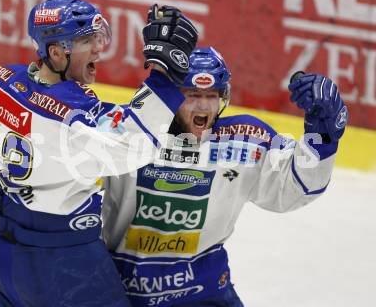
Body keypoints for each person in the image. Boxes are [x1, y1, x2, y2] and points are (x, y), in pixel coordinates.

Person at [0, 0, 197, 307]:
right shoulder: (72, 117)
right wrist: (164, 80)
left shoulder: (0, 82)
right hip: (66, 264)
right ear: (56, 52)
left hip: (6, 257)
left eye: (98, 37)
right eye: (87, 41)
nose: (98, 48)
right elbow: (130, 147)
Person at [100, 47, 348, 306]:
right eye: (193, 94)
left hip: (206, 292)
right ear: (170, 95)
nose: (204, 105)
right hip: (122, 292)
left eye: (212, 95)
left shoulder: (244, 140)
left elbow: (298, 188)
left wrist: (322, 139)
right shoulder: (129, 134)